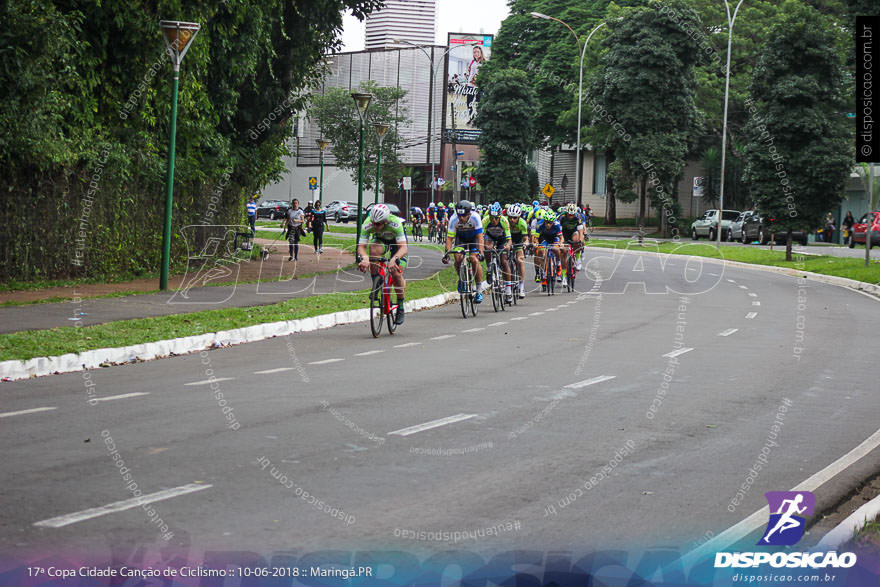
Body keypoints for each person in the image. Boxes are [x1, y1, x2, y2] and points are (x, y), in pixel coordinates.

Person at [357, 204, 408, 324]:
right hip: (380, 241)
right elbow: (361, 247)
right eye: (373, 223)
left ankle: (400, 306)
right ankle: (377, 282)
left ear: (385, 221)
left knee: (396, 273)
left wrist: (394, 259)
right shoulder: (368, 223)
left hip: (397, 244)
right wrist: (365, 259)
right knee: (373, 251)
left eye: (378, 224)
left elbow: (403, 248)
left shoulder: (395, 223)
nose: (374, 226)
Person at [443, 200, 485, 303]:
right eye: (459, 215)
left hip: (473, 239)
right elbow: (449, 238)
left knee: (474, 259)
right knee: (458, 258)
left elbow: (480, 237)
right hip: (461, 239)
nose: (461, 218)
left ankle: (479, 290)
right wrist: (447, 253)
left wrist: (481, 252)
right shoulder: (453, 219)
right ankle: (461, 279)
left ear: (469, 214)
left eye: (464, 215)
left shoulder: (475, 217)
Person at [482, 203, 513, 302]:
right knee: (487, 247)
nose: (493, 220)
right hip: (490, 238)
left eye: (496, 218)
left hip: (502, 239)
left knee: (504, 261)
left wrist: (507, 245)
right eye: (491, 218)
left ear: (499, 216)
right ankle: (489, 267)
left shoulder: (504, 221)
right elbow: (480, 237)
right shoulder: (485, 220)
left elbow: (509, 239)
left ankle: (508, 291)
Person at [531, 209, 564, 289]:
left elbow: (561, 237)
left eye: (550, 223)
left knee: (556, 249)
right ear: (544, 221)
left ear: (553, 222)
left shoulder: (557, 224)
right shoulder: (540, 224)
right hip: (544, 239)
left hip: (554, 238)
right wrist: (535, 243)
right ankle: (544, 273)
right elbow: (536, 237)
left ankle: (559, 265)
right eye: (546, 222)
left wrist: (561, 243)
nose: (548, 224)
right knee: (542, 252)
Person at [506, 204, 530, 298]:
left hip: (519, 239)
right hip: (508, 239)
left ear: (518, 217)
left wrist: (525, 244)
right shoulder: (505, 222)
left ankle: (521, 286)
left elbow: (526, 238)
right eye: (510, 217)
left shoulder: (522, 223)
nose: (512, 220)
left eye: (514, 218)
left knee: (520, 260)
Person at [559, 203, 586, 273]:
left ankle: (578, 259)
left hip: (574, 232)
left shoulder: (578, 217)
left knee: (577, 241)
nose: (571, 216)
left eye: (572, 215)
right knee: (562, 249)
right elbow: (558, 231)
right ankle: (559, 262)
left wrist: (581, 240)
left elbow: (580, 230)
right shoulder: (562, 217)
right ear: (567, 212)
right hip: (564, 233)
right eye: (569, 215)